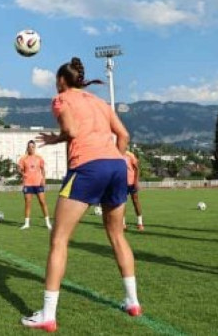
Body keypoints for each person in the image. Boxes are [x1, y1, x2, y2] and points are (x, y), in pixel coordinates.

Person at [22, 57, 141, 332]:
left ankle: (48, 315)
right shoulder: (100, 102)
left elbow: (72, 130)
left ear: (61, 81)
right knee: (117, 235)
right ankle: (133, 302)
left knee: (59, 239)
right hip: (117, 166)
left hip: (88, 167)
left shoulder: (61, 99)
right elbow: (124, 135)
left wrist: (57, 138)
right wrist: (113, 161)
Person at [18, 140, 52, 230]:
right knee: (28, 203)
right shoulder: (23, 158)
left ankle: (48, 223)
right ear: (27, 148)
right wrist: (22, 174)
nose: (31, 148)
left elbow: (43, 169)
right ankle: (26, 224)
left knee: (42, 202)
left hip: (38, 183)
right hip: (28, 183)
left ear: (35, 147)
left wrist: (43, 179)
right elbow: (19, 169)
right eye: (29, 147)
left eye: (32, 147)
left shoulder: (39, 158)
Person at [124, 150, 144, 231]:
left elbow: (137, 169)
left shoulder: (130, 155)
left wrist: (136, 182)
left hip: (132, 183)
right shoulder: (116, 154)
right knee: (122, 203)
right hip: (121, 183)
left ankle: (140, 223)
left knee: (135, 201)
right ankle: (123, 224)